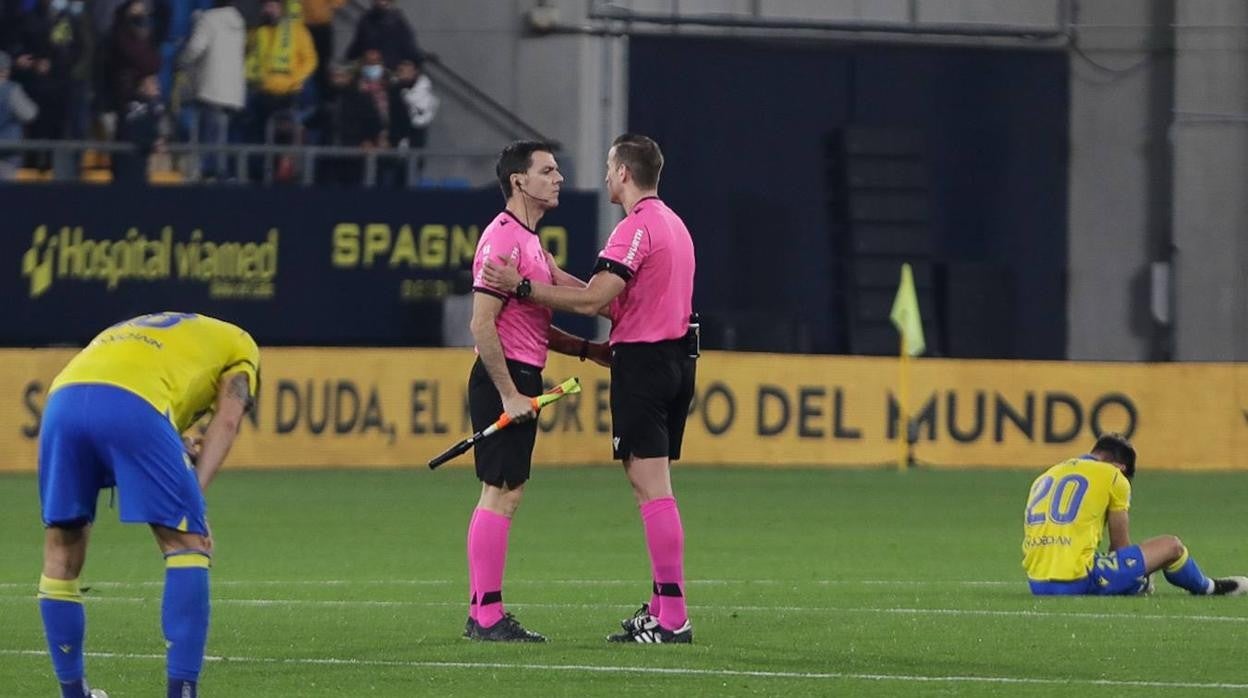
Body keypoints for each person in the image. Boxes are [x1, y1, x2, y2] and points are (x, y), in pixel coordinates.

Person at [482, 133, 698, 643]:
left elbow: (593, 300)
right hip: (676, 359)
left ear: (624, 172)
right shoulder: (674, 225)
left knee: (652, 489)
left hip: (644, 365)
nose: (602, 177)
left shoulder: (635, 228)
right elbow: (614, 301)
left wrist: (525, 287)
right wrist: (553, 277)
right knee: (656, 484)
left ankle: (673, 618)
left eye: (607, 167)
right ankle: (663, 606)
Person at [37, 312, 260, 698]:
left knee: (61, 552)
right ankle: (182, 693)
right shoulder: (242, 346)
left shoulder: (155, 329)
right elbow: (227, 422)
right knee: (189, 543)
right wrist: (195, 498)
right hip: (133, 404)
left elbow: (125, 393)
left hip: (62, 402)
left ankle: (73, 693)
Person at [463, 140, 609, 642]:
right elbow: (481, 325)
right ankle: (485, 616)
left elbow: (543, 319)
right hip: (504, 378)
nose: (559, 178)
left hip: (519, 375)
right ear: (519, 181)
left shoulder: (528, 243)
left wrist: (589, 351)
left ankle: (483, 611)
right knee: (501, 494)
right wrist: (508, 394)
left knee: (504, 492)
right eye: (548, 170)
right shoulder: (502, 239)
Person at [1022, 433, 1247, 597]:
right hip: (1075, 580)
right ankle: (1210, 587)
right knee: (1172, 547)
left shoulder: (1046, 475)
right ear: (1120, 467)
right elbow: (1121, 547)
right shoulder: (1113, 476)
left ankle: (1137, 583)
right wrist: (1140, 571)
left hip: (1037, 582)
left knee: (1125, 566)